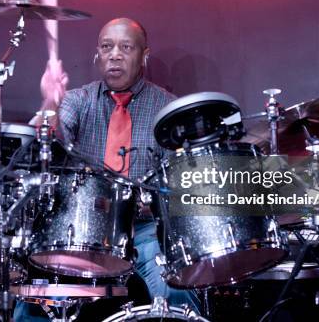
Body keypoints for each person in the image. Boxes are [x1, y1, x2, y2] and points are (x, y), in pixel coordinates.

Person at [14, 17, 199, 320]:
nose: (114, 54)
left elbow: (180, 180)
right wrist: (50, 102)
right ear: (97, 55)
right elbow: (44, 147)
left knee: (175, 284)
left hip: (145, 228)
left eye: (126, 47)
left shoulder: (167, 107)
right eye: (106, 47)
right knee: (34, 297)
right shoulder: (77, 100)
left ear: (144, 56)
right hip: (82, 228)